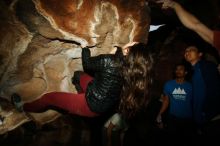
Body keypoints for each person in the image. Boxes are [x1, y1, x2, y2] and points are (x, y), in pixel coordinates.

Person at [12, 42, 154, 119]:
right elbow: (118, 63)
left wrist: (84, 47)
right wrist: (118, 52)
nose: (130, 43)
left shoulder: (109, 61)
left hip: (90, 105)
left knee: (49, 98)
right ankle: (79, 93)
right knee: (78, 75)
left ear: (128, 52)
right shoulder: (133, 72)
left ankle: (22, 107)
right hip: (98, 95)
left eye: (132, 44)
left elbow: (87, 63)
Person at [183, 42, 220, 144]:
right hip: (199, 120)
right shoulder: (191, 73)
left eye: (191, 50)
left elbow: (215, 90)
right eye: (186, 51)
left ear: (200, 54)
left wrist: (208, 114)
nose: (187, 52)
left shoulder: (207, 66)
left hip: (212, 119)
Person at [156, 62, 194, 146]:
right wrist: (160, 114)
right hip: (173, 118)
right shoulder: (168, 84)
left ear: (186, 72)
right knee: (173, 141)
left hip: (188, 119)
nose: (178, 71)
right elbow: (166, 101)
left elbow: (194, 102)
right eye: (176, 69)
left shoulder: (191, 86)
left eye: (181, 69)